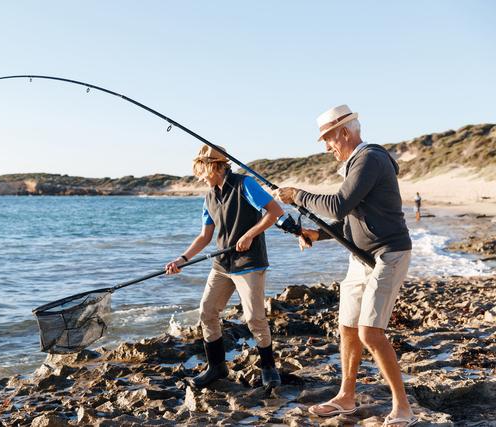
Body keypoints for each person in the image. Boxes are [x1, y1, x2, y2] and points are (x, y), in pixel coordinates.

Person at [275, 105, 416, 426]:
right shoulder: (355, 165)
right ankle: (346, 397)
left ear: (345, 132)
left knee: (370, 332)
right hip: (361, 257)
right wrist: (316, 234)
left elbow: (338, 206)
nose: (326, 146)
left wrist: (297, 195)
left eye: (328, 138)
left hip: (388, 254)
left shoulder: (370, 159)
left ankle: (403, 407)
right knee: (349, 327)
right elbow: (350, 224)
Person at [166, 144, 284, 388]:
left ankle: (269, 367)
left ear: (214, 166)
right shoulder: (209, 196)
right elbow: (204, 236)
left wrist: (250, 234)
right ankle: (217, 367)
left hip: (249, 264)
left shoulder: (244, 184)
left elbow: (274, 212)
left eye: (202, 169)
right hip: (222, 264)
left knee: (254, 318)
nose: (200, 175)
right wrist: (182, 260)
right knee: (207, 311)